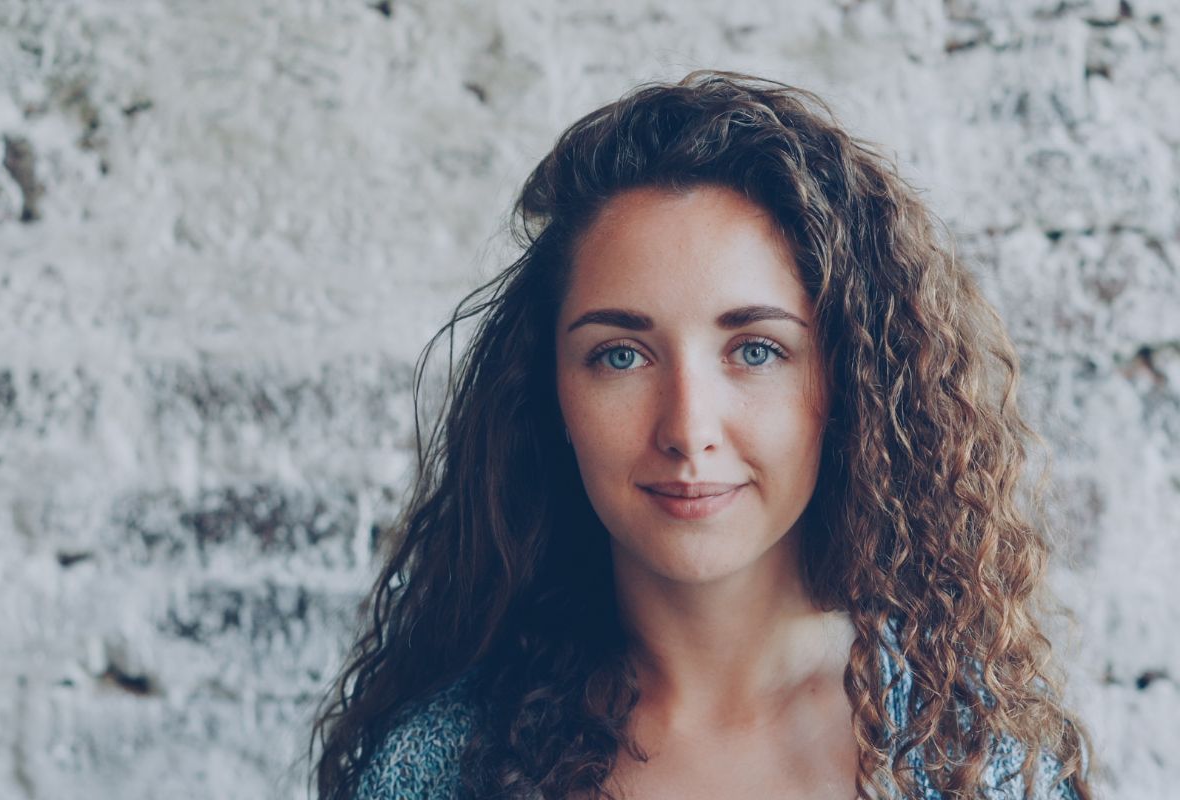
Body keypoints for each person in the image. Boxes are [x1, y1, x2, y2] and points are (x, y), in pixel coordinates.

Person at [310, 71, 1094, 799]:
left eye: (755, 350)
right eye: (621, 355)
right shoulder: (437, 769)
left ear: (848, 382)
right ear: (548, 393)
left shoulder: (978, 761)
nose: (687, 429)